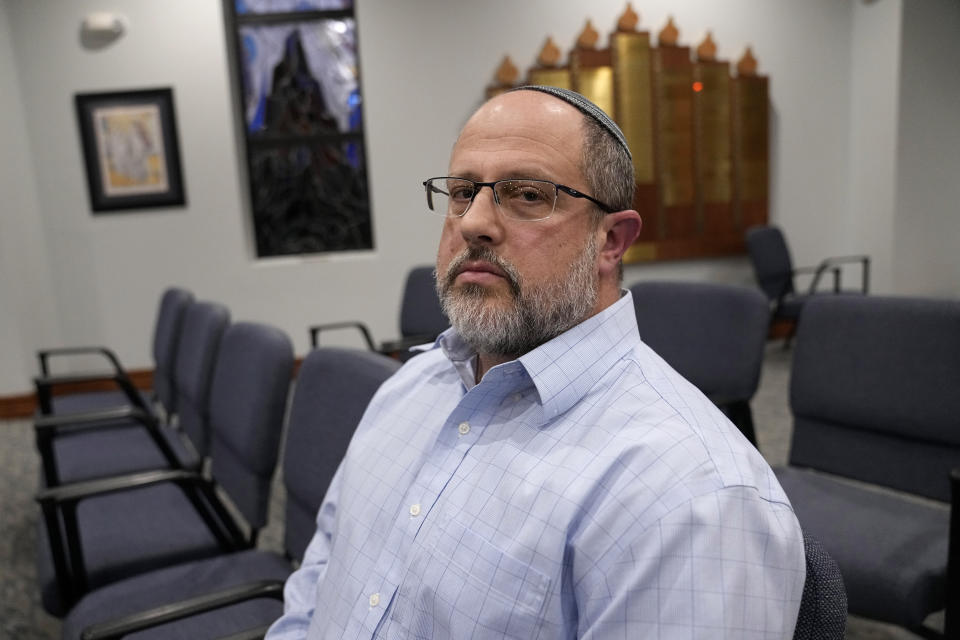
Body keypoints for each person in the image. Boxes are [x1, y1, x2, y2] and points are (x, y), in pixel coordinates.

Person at [267, 86, 806, 639]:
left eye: (525, 194)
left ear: (611, 241)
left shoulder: (691, 498)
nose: (474, 222)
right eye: (461, 191)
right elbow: (323, 574)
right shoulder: (409, 387)